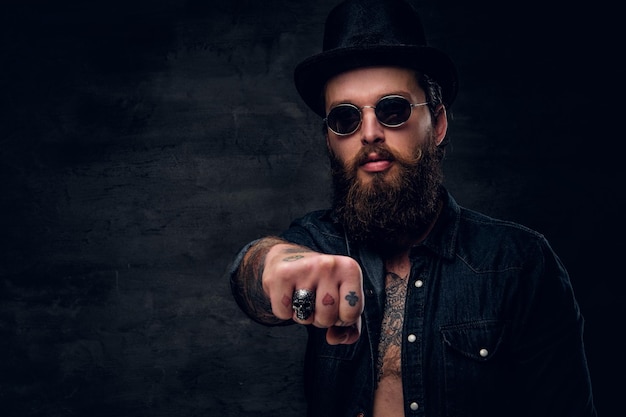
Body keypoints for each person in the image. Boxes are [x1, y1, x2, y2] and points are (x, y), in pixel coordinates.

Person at [229, 0, 597, 416]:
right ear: (331, 139)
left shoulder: (519, 264)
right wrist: (276, 263)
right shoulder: (321, 241)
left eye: (392, 109)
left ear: (437, 124)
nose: (369, 133)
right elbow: (252, 275)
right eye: (345, 119)